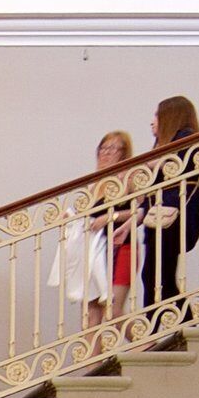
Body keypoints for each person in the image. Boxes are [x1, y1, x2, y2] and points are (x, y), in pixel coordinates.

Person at [52, 128, 137, 333]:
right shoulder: (94, 184)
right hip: (94, 250)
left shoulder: (130, 178)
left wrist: (111, 217)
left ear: (124, 153)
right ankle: (93, 366)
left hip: (120, 247)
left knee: (113, 310)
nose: (106, 152)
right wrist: (70, 216)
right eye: (103, 147)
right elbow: (86, 214)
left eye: (113, 148)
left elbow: (140, 211)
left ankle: (149, 348)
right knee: (91, 314)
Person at [136, 94, 199, 313]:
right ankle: (177, 323)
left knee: (157, 275)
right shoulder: (168, 144)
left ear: (170, 117)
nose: (152, 121)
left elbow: (178, 168)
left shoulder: (186, 139)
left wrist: (152, 162)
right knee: (157, 274)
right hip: (161, 215)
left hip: (172, 215)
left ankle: (156, 329)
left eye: (157, 115)